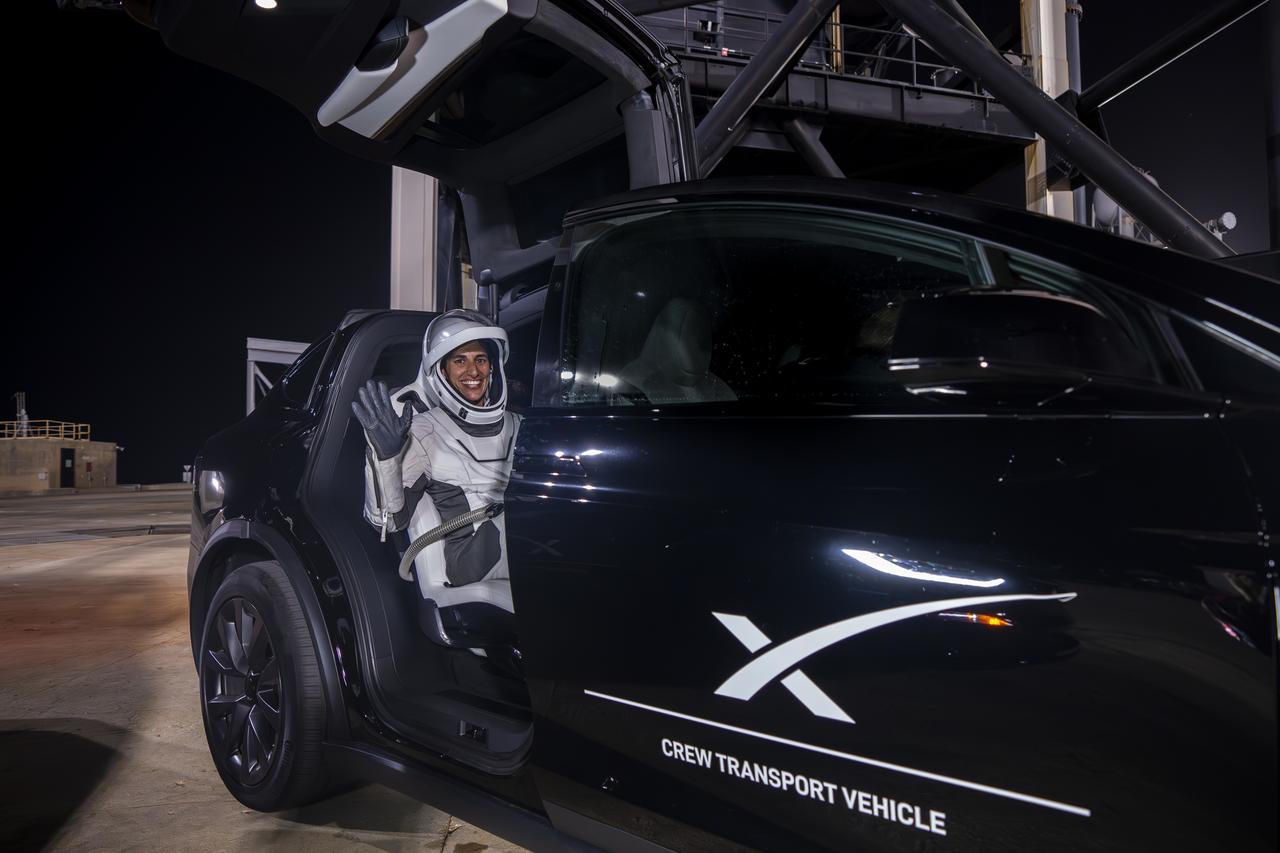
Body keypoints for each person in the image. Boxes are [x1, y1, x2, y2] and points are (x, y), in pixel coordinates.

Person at [352, 309, 520, 602]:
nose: (473, 372)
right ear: (441, 372)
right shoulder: (424, 431)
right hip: (470, 559)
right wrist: (386, 457)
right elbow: (387, 523)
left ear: (493, 367)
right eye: (460, 361)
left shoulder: (520, 425)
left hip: (523, 544)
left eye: (480, 360)